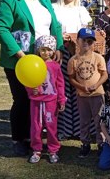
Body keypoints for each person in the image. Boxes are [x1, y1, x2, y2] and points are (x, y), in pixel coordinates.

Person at [0, 0, 63, 156]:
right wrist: (19, 54)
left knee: (41, 99)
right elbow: (1, 28)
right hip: (19, 62)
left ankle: (37, 137)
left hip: (43, 61)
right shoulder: (9, 2)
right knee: (22, 100)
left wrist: (58, 47)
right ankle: (19, 139)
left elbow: (55, 25)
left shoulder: (44, 1)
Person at [53, 0, 92, 140]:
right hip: (60, 54)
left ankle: (82, 130)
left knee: (79, 90)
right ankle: (64, 129)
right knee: (62, 91)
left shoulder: (81, 10)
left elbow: (88, 32)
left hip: (78, 55)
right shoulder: (54, 8)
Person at [67, 28, 108, 158]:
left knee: (99, 120)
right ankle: (85, 143)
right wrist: (80, 87)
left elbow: (104, 74)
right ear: (77, 41)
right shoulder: (73, 60)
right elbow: (71, 78)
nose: (86, 43)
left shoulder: (98, 57)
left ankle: (101, 143)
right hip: (82, 96)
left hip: (97, 95)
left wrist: (96, 85)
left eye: (90, 41)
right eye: (83, 40)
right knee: (84, 121)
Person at [25, 35, 66, 164]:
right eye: (43, 49)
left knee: (51, 126)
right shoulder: (33, 64)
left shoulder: (55, 66)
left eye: (49, 50)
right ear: (38, 50)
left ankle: (53, 150)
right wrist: (32, 90)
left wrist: (61, 100)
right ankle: (36, 150)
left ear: (53, 51)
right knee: (36, 127)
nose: (46, 53)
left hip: (51, 102)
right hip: (36, 102)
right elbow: (27, 80)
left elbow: (60, 84)